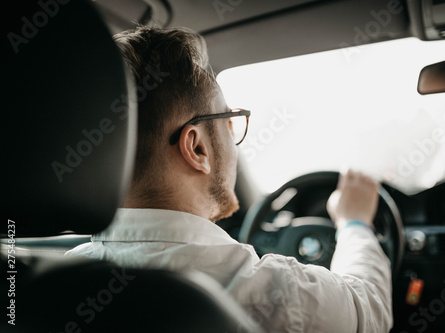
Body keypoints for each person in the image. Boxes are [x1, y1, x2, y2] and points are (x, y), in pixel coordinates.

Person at [66, 26, 392, 332]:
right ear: (196, 147)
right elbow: (372, 308)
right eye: (230, 122)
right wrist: (354, 224)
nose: (235, 138)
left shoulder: (57, 278)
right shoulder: (274, 292)